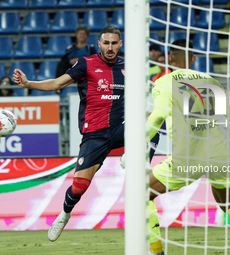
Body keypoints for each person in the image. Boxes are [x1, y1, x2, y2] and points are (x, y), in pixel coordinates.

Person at [13, 25, 159, 245]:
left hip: (121, 128)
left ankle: (136, 160)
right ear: (99, 44)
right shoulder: (86, 63)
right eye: (106, 43)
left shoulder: (129, 66)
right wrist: (28, 83)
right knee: (79, 187)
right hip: (94, 135)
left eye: (114, 43)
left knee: (155, 120)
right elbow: (56, 84)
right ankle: (64, 214)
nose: (110, 48)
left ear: (120, 44)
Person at [146, 39, 230, 255]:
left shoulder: (164, 82)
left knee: (141, 192)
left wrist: (135, 144)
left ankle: (157, 252)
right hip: (218, 151)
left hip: (187, 156)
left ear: (170, 59)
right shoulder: (210, 81)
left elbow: (157, 119)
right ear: (193, 58)